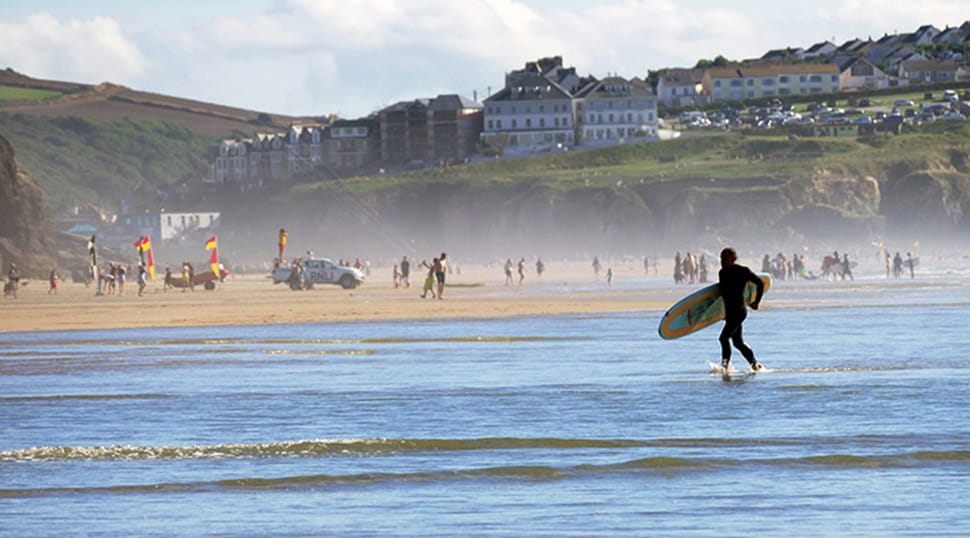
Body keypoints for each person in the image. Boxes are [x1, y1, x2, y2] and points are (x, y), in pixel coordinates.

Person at [718, 247, 765, 372]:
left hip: (739, 311)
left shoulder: (742, 271)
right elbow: (723, 294)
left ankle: (725, 368)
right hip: (730, 313)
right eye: (721, 258)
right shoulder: (722, 273)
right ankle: (755, 365)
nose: (722, 261)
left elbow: (760, 283)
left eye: (725, 258)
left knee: (723, 338)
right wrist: (720, 313)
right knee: (738, 343)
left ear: (733, 259)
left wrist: (756, 301)